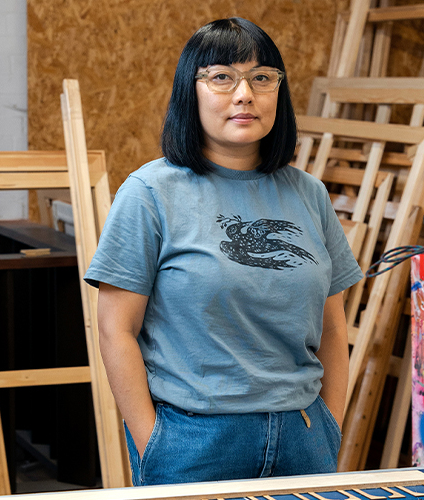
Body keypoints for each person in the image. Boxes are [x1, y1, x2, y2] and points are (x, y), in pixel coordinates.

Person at [84, 17, 363, 486]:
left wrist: (329, 426)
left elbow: (333, 327)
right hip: (193, 441)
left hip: (304, 436)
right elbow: (116, 330)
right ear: (189, 91)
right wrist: (153, 441)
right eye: (221, 77)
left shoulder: (308, 194)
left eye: (262, 78)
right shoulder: (150, 192)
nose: (244, 94)